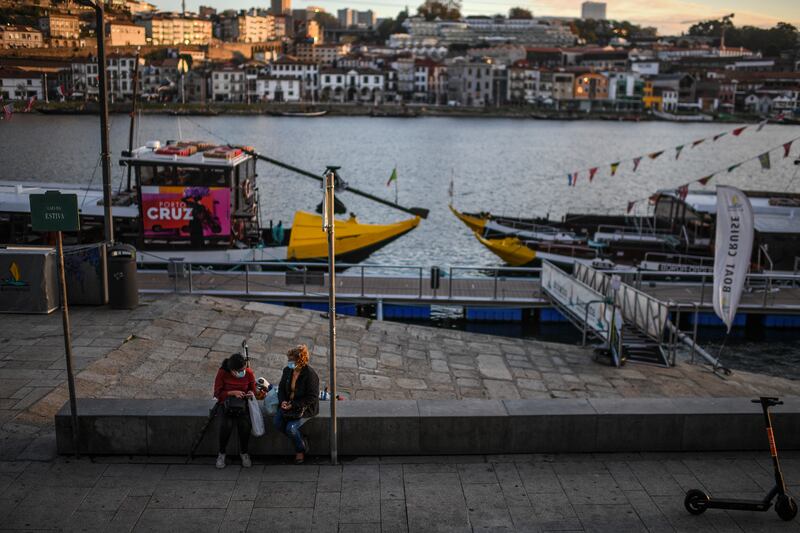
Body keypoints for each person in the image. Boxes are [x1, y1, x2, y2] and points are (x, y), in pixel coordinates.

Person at [273, 345, 319, 465]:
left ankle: (301, 449)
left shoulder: (310, 375)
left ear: (300, 361)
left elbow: (312, 397)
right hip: (288, 404)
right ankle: (300, 438)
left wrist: (293, 405)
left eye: (291, 360)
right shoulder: (287, 370)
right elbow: (282, 389)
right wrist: (282, 400)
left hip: (304, 408)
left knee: (291, 429)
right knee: (277, 423)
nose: (289, 363)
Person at [213, 352, 256, 469]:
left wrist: (251, 393)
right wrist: (232, 393)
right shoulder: (222, 373)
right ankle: (221, 453)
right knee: (226, 425)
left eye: (243, 369)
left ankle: (244, 452)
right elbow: (217, 393)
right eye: (240, 370)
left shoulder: (249, 373)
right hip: (226, 404)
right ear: (232, 370)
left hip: (242, 405)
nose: (243, 372)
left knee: (245, 425)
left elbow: (253, 388)